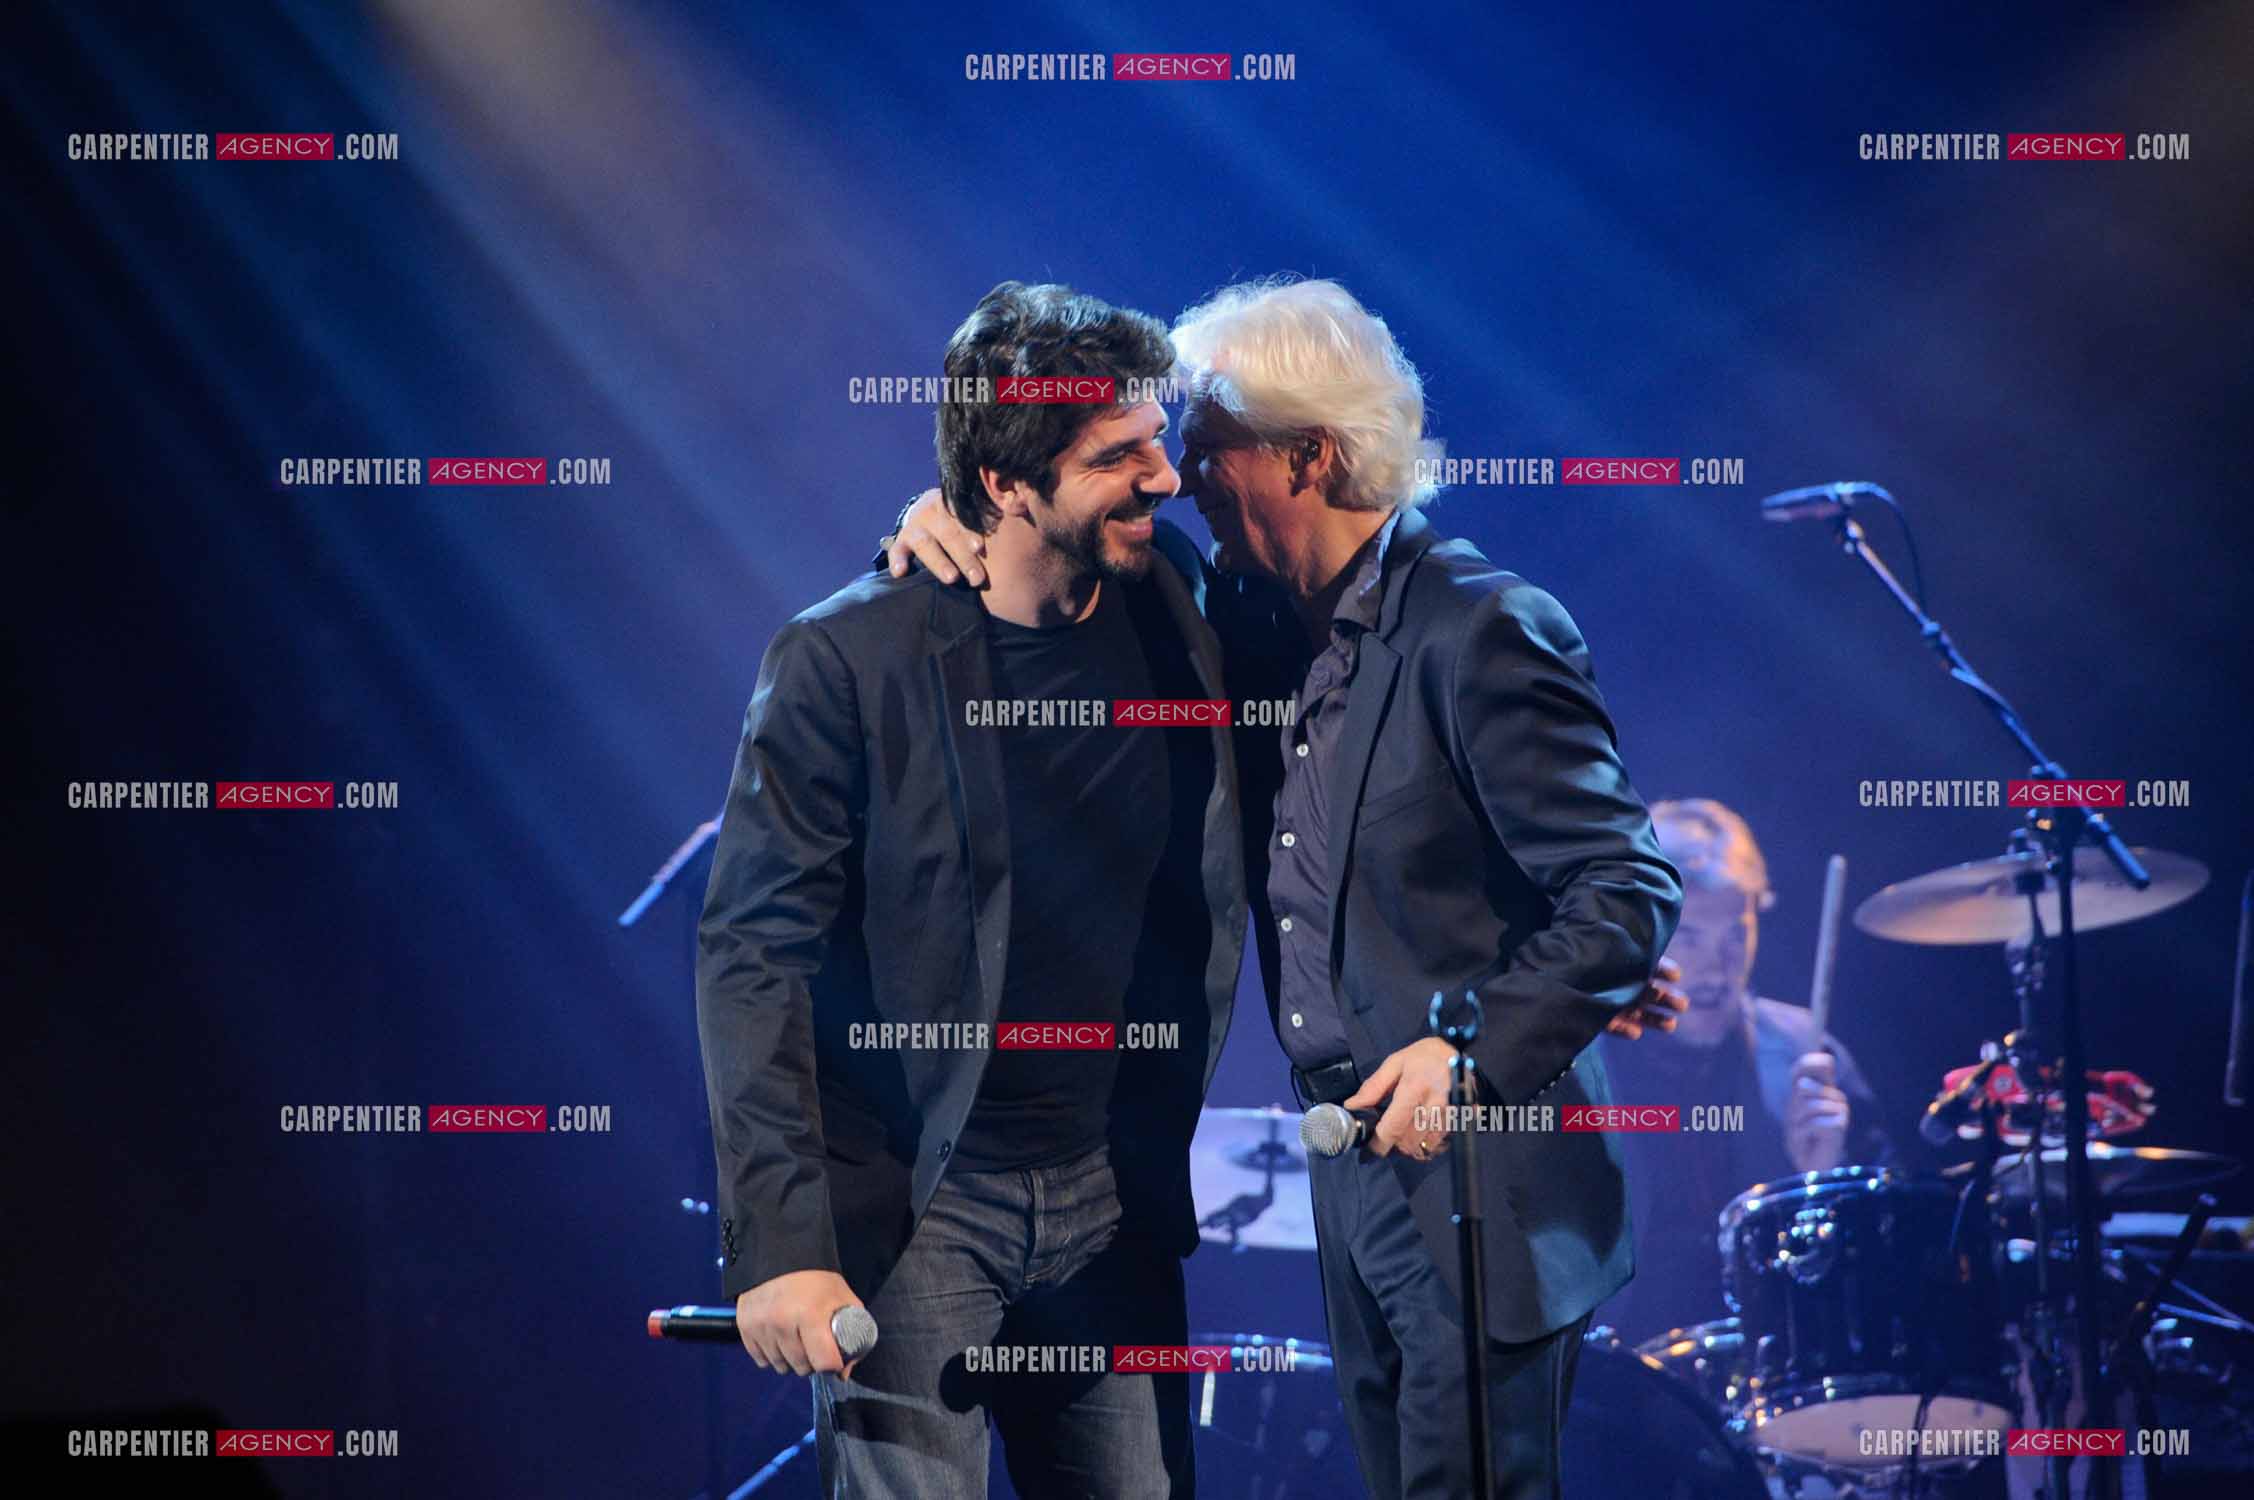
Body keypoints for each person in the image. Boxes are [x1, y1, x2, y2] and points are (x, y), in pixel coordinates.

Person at [891, 276, 1683, 1500]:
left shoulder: (1482, 629)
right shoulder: (1256, 620)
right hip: (1352, 1166)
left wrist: (1489, 1045)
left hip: (1483, 1176)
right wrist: (935, 520)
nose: (1176, 481)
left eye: (1205, 449)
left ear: (1308, 454)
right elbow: (1035, 539)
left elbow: (1625, 886)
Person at [697, 281, 1242, 1498]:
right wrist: (782, 1246)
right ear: (1005, 486)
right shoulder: (847, 657)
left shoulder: (1181, 603)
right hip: (918, 1201)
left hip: (1114, 1196)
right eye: (1119, 456)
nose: (1164, 477)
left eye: (1156, 438)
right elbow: (752, 955)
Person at [1594, 797, 1889, 1344]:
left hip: (1772, 1377)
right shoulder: (1578, 1060)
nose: (1716, 965)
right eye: (1687, 936)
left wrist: (1821, 1179)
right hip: (1616, 1385)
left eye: (1736, 934)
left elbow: (1880, 1261)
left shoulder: (1809, 1055)